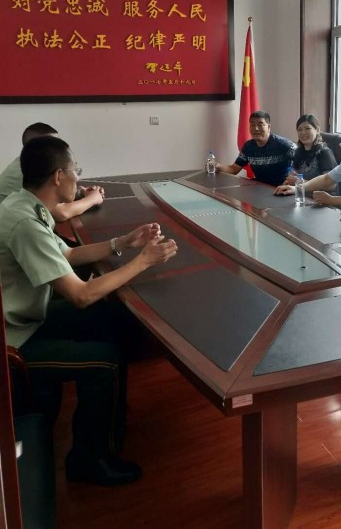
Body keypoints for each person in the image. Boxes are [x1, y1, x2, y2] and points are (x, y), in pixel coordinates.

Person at [0, 136, 178, 486]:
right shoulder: (24, 223)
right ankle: (90, 459)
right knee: (104, 362)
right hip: (16, 338)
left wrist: (122, 243)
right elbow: (80, 295)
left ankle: (107, 414)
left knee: (110, 318)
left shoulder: (25, 204)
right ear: (58, 176)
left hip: (27, 318)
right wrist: (143, 261)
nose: (78, 178)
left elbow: (65, 255)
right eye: (75, 171)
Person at [0, 122, 105, 219]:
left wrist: (79, 193)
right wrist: (93, 199)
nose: (58, 148)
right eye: (51, 144)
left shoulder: (28, 163)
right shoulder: (27, 171)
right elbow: (61, 213)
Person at [215, 110, 295, 186]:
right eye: (252, 125)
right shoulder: (248, 146)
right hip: (259, 187)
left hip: (280, 188)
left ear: (269, 127)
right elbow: (234, 169)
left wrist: (294, 178)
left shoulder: (283, 145)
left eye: (260, 125)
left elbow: (301, 161)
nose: (256, 128)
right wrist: (217, 166)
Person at [283, 114, 337, 183]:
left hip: (317, 190)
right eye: (299, 130)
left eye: (307, 128)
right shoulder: (298, 151)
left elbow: (330, 184)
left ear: (317, 130)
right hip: (297, 189)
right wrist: (290, 180)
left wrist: (301, 182)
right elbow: (293, 175)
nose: (303, 133)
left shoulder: (325, 153)